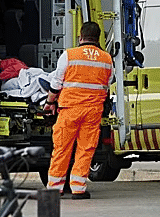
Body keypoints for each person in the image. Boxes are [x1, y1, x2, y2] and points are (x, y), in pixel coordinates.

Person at [43, 21, 113, 198]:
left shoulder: (69, 55)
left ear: (80, 37)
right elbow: (108, 83)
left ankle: (54, 188)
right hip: (93, 111)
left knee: (61, 148)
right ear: (98, 39)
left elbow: (57, 82)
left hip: (70, 109)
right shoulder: (106, 59)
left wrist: (50, 102)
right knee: (86, 149)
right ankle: (78, 188)